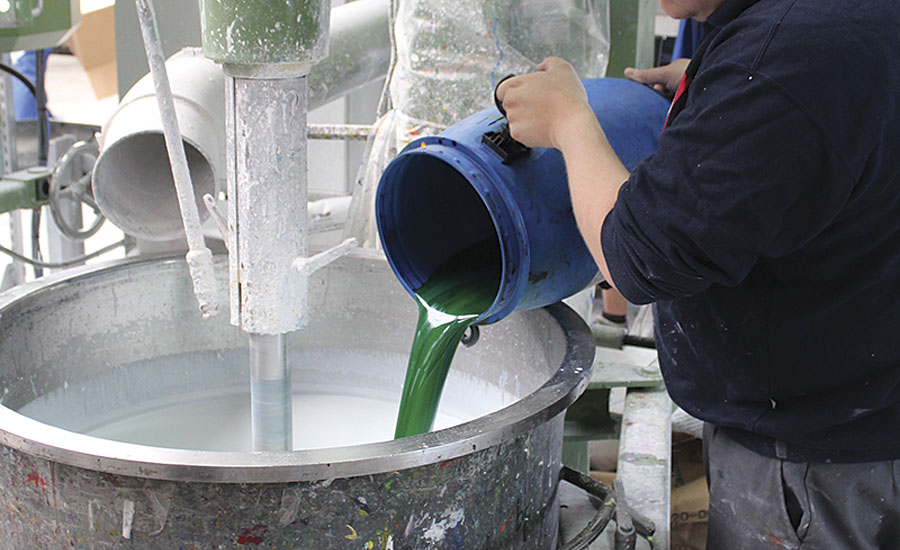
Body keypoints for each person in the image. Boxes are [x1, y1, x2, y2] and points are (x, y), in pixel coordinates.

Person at [497, 0, 900, 548]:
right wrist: (720, 90)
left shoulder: (790, 59)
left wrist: (569, 122)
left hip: (819, 463)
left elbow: (639, 258)